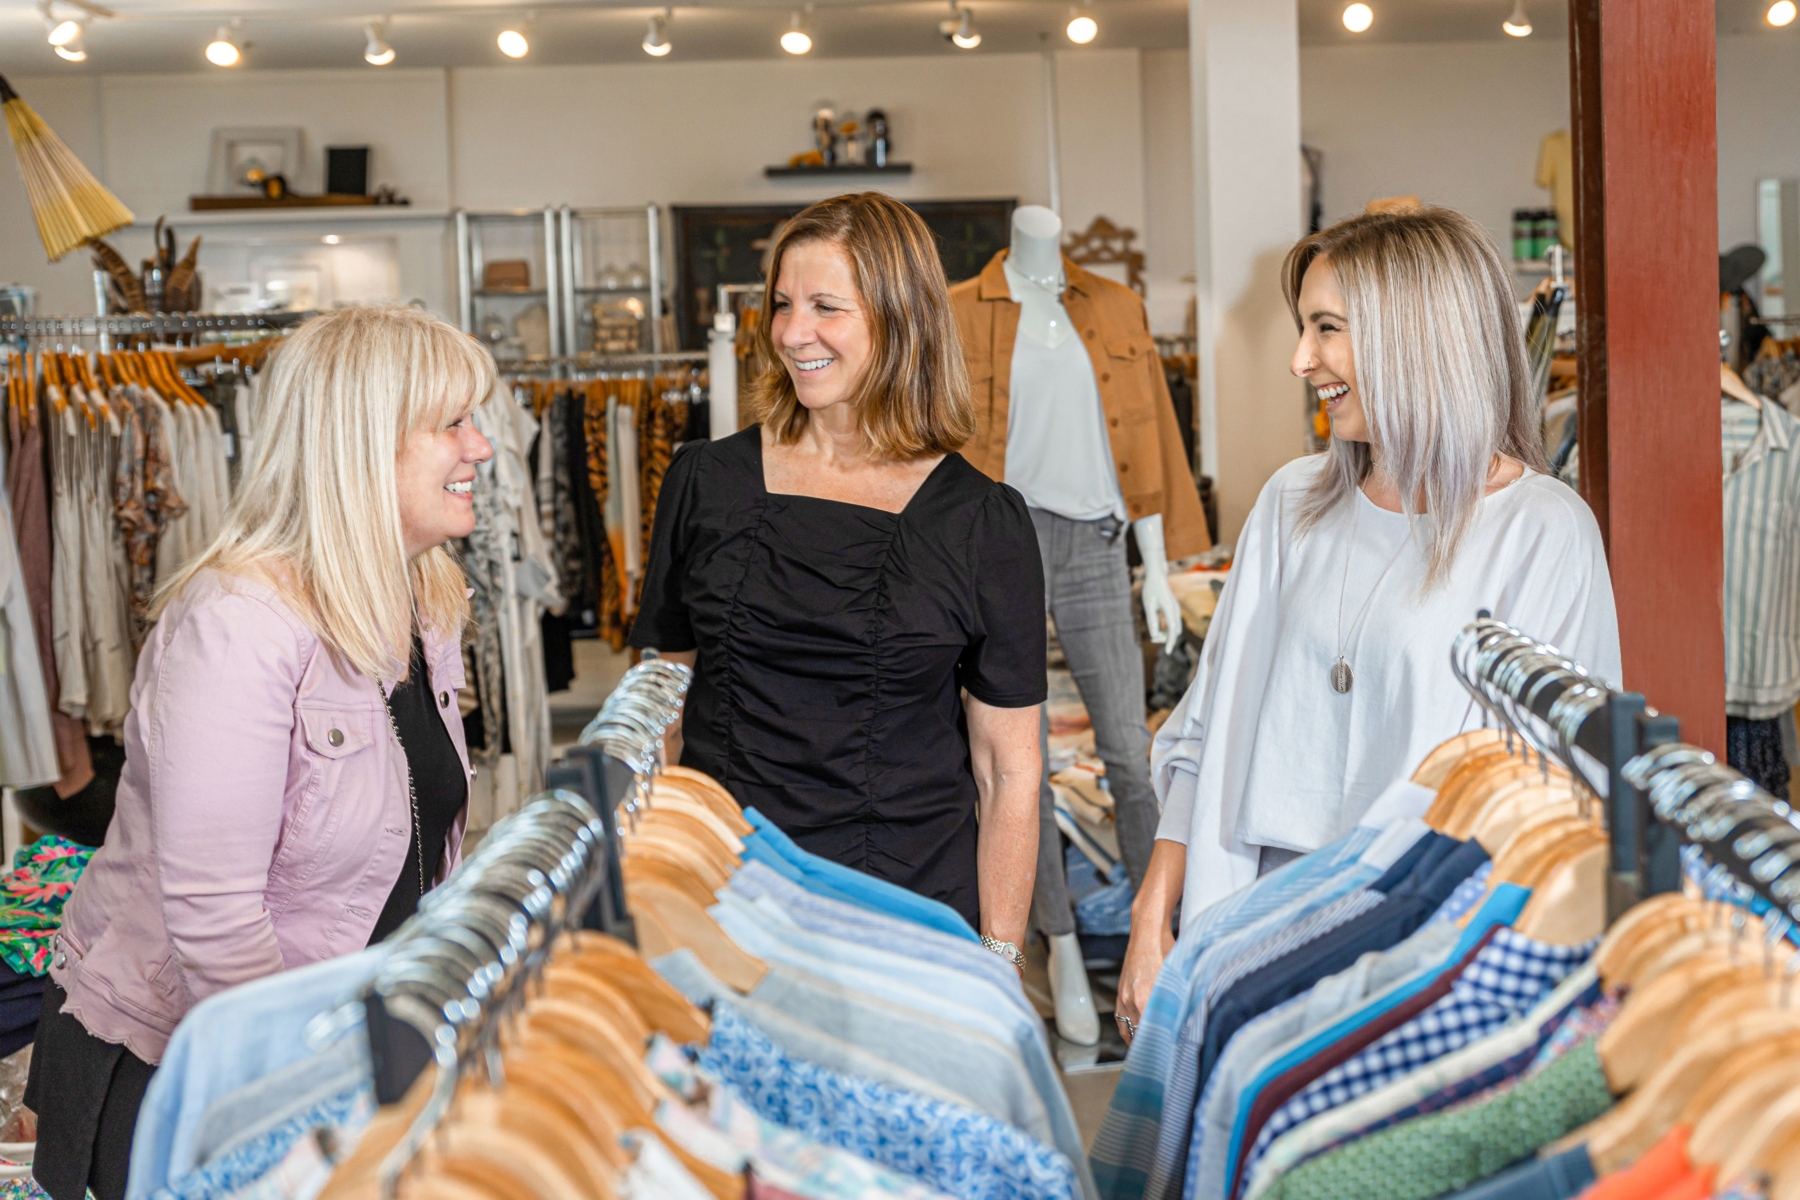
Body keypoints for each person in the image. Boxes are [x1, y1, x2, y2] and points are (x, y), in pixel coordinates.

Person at [1113, 206, 1620, 1039]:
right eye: (1303, 328)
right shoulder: (1291, 505)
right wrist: (1149, 920)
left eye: (1326, 329)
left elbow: (1560, 794)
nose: (1299, 359)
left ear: (1413, 334)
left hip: (1422, 955)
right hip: (1251, 935)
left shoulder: (1540, 530)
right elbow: (1204, 733)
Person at [27, 306, 494, 1200]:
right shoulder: (238, 623)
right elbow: (214, 915)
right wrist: (298, 1088)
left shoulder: (423, 595)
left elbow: (418, 841)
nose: (479, 448)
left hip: (344, 1048)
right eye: (452, 424)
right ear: (361, 442)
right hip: (193, 1073)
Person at [630, 191, 1044, 964]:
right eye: (783, 305)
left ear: (900, 317)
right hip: (723, 901)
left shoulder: (983, 521)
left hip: (907, 914)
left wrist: (998, 960)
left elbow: (1008, 767)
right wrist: (652, 887)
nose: (793, 333)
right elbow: (657, 708)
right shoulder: (705, 480)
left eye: (827, 306)